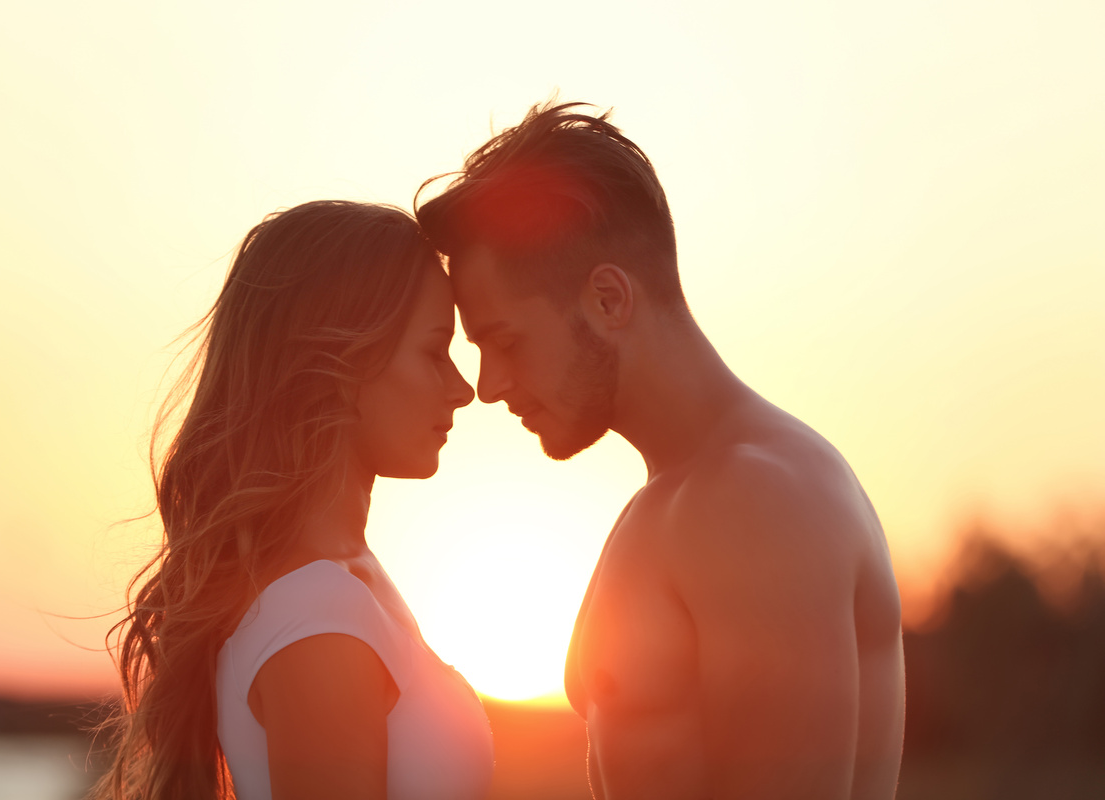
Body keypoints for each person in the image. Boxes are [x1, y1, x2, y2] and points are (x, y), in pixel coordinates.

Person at [416, 102, 906, 799]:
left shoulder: (753, 498)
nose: (489, 386)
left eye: (508, 341)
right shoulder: (687, 495)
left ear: (609, 300)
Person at [90, 201, 491, 800]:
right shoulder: (316, 615)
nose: (463, 389)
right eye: (434, 351)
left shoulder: (342, 588)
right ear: (341, 366)